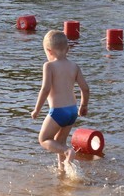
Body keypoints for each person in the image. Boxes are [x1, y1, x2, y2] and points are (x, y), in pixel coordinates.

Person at [31, 30, 90, 170]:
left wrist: (36, 110)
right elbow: (85, 88)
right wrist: (84, 106)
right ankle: (62, 169)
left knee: (44, 139)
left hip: (58, 112)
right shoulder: (74, 66)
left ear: (48, 51)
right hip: (72, 111)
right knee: (60, 142)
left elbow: (45, 89)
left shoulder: (49, 66)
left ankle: (68, 152)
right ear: (68, 49)